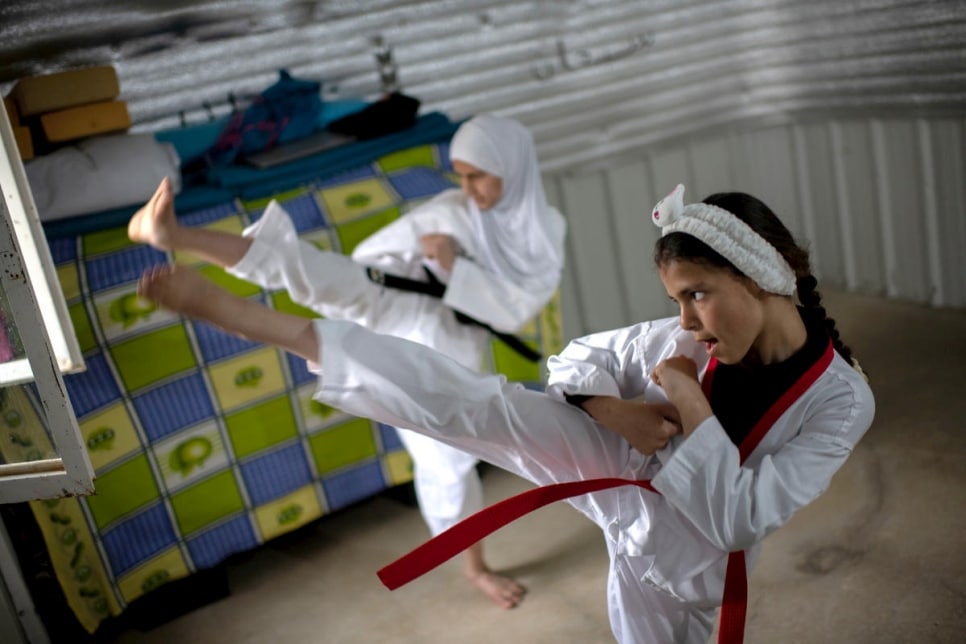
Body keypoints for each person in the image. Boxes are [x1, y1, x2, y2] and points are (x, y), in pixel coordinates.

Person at [134, 183, 874, 643]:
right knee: (478, 404)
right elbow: (577, 356)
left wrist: (682, 393)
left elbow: (741, 518)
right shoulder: (681, 336)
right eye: (677, 298)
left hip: (696, 551)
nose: (682, 317)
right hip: (625, 473)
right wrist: (605, 407)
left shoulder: (840, 400)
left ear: (765, 279)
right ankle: (253, 319)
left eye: (698, 293)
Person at [127, 114, 566, 609]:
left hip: (446, 328)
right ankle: (175, 235)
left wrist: (453, 267)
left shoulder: (544, 230)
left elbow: (518, 309)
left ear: (513, 168)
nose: (467, 188)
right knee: (308, 267)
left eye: (477, 176)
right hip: (394, 294)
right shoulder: (455, 207)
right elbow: (373, 255)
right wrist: (394, 273)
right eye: (460, 174)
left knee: (444, 454)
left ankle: (475, 566)